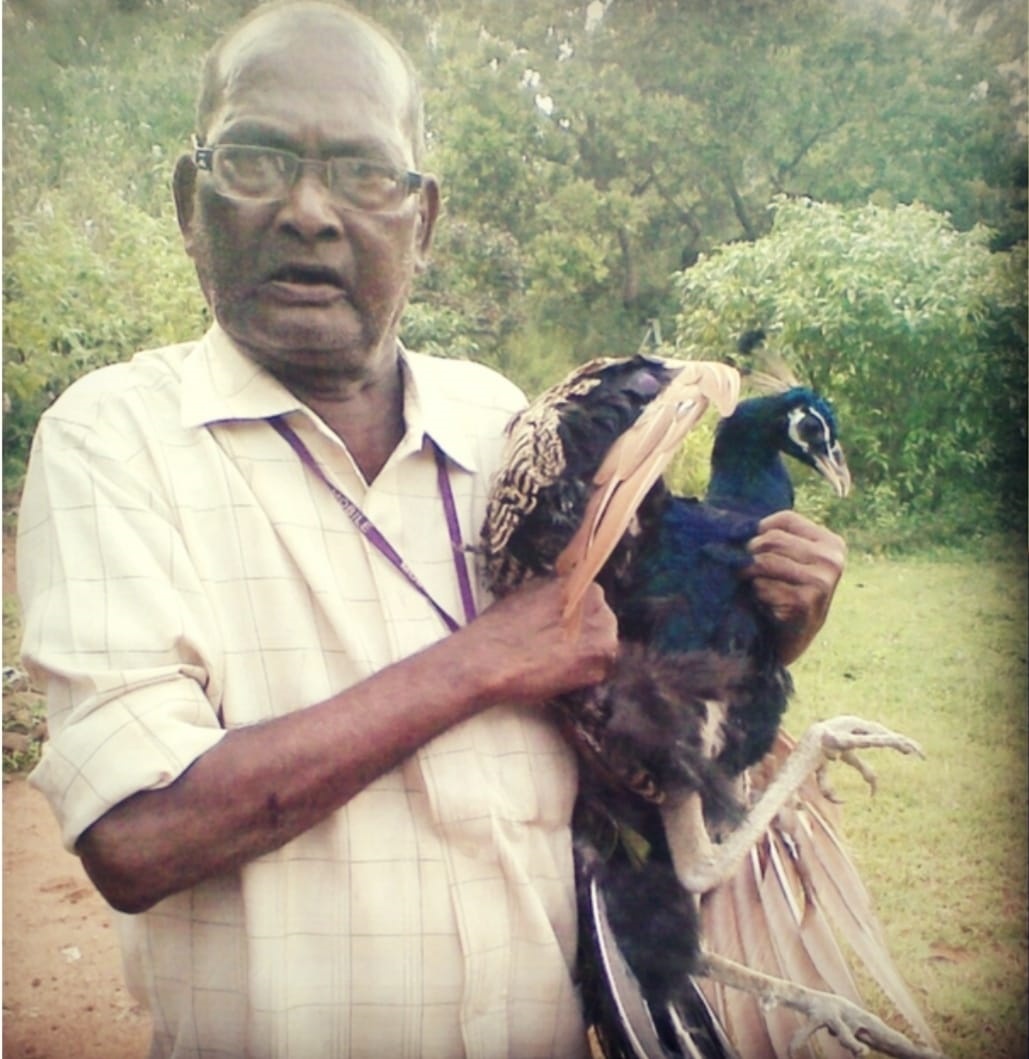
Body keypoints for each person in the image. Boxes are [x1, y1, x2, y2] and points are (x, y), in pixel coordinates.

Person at [17, 2, 846, 1057]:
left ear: (423, 219)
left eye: (365, 172)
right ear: (192, 201)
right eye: (259, 158)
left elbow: (634, 701)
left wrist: (773, 621)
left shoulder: (508, 422)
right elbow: (137, 835)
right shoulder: (115, 437)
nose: (310, 212)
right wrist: (481, 662)